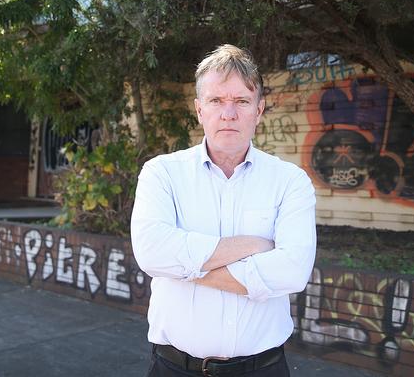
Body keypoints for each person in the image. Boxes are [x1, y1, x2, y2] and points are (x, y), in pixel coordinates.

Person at [131, 44, 316, 377]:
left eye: (241, 101)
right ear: (199, 109)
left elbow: (293, 271)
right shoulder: (162, 173)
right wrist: (255, 246)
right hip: (174, 368)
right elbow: (151, 253)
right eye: (216, 101)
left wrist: (186, 268)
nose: (228, 113)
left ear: (259, 110)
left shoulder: (291, 181)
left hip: (263, 369)